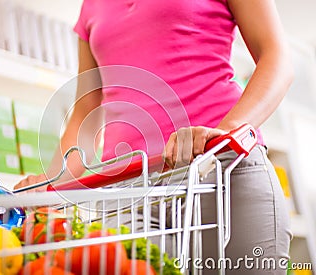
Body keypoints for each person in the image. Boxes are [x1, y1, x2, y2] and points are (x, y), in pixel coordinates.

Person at [15, 0, 294, 274]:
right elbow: (86, 110)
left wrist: (226, 130)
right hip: (128, 191)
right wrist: (51, 184)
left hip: (220, 170)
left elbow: (276, 57)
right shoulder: (91, 5)